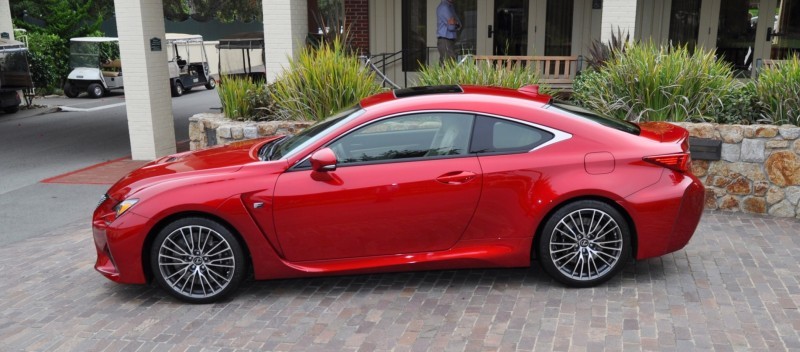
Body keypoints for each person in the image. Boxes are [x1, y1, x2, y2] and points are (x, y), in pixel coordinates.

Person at [437, 0, 461, 65]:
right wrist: (456, 23)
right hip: (445, 40)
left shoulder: (451, 6)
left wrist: (455, 22)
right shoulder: (444, 7)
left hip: (449, 40)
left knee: (447, 64)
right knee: (449, 64)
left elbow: (459, 24)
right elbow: (451, 27)